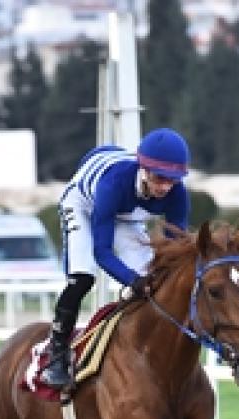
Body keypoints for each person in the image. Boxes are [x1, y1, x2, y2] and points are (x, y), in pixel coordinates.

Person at [39, 127, 191, 391]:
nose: (166, 187)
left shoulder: (178, 194)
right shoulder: (113, 183)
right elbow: (102, 252)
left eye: (173, 180)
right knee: (83, 277)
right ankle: (57, 350)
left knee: (156, 280)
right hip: (84, 204)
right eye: (160, 178)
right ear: (144, 169)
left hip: (125, 214)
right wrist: (132, 281)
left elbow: (173, 248)